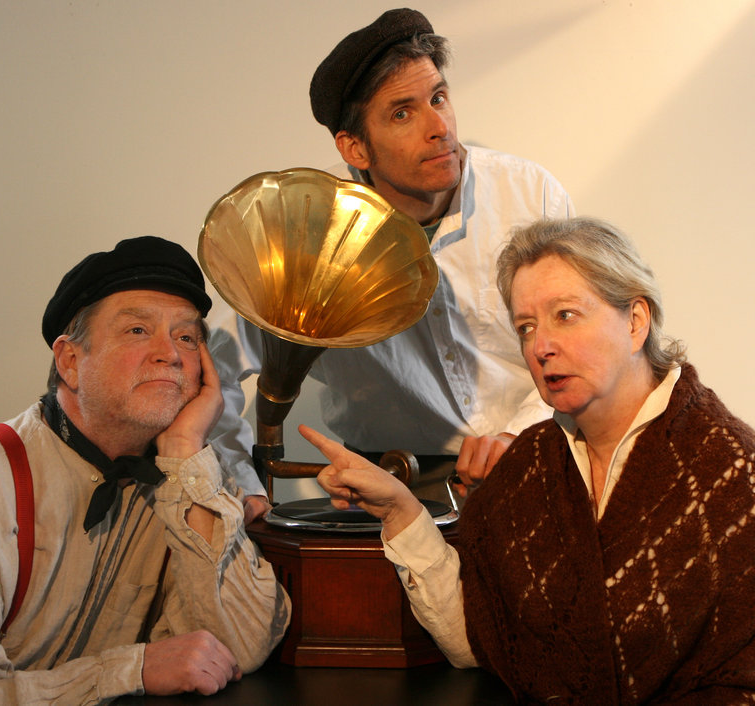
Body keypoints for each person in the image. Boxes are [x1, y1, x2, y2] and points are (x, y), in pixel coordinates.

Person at [300, 217, 755, 703]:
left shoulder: (733, 473)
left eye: (565, 315)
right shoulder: (528, 467)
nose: (541, 347)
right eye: (526, 327)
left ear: (636, 321)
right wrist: (400, 510)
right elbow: (476, 639)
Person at [207, 8, 574, 512]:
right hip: (391, 488)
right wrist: (243, 486)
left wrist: (519, 434)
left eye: (439, 98)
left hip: (537, 457)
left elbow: (577, 336)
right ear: (354, 147)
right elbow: (211, 372)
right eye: (402, 113)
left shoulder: (532, 195)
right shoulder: (305, 230)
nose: (439, 127)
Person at [0, 236, 290, 703]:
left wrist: (183, 448)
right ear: (70, 361)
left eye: (187, 338)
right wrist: (129, 671)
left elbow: (240, 647)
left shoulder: (188, 471)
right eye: (137, 331)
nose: (169, 354)